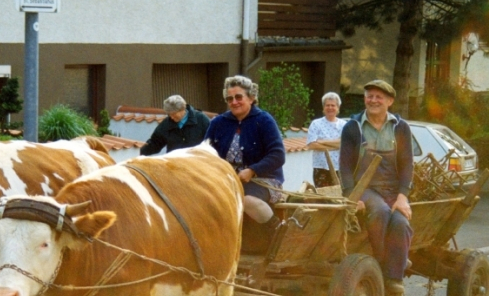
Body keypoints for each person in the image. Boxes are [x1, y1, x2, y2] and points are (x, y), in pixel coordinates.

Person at [339, 80, 413, 296]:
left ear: (389, 101)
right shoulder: (353, 127)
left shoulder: (400, 127)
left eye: (379, 97)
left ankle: (394, 276)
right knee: (379, 211)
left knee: (401, 223)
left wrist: (403, 197)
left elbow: (407, 163)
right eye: (369, 96)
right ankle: (382, 264)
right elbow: (344, 165)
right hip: (365, 188)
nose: (373, 100)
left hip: (392, 189)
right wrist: (352, 196)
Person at [204, 75, 286, 227]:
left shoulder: (264, 121)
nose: (234, 102)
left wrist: (252, 170)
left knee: (245, 199)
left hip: (264, 180)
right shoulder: (217, 123)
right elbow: (205, 154)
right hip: (227, 180)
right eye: (230, 99)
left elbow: (278, 155)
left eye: (238, 97)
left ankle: (278, 230)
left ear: (251, 98)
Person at [140, 95, 210, 156]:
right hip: (174, 164)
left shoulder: (201, 119)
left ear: (183, 109)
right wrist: (139, 152)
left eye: (174, 114)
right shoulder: (166, 124)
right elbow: (155, 143)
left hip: (196, 163)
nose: (171, 117)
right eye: (169, 114)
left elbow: (211, 141)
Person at [306, 92, 346, 187]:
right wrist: (335, 145)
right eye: (327, 105)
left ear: (338, 108)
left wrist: (322, 141)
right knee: (323, 196)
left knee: (339, 196)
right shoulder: (316, 123)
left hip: (339, 167)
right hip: (321, 166)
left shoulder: (344, 125)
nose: (330, 108)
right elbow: (311, 144)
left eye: (333, 105)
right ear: (323, 107)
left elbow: (344, 143)